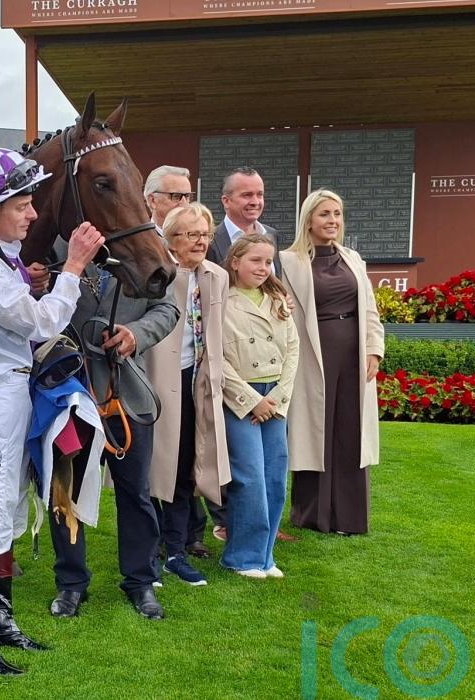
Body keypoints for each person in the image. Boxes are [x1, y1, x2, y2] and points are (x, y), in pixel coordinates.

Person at [0, 146, 105, 675]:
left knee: (8, 511)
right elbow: (40, 324)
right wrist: (73, 267)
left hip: (9, 391)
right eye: (22, 205)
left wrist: (33, 282)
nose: (33, 214)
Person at [46, 224, 179, 621]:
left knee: (135, 491)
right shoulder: (54, 244)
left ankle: (141, 580)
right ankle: (71, 583)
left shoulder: (147, 241)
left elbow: (167, 308)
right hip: (68, 391)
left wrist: (136, 334)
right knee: (64, 488)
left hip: (127, 392)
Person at [278, 189, 384, 535]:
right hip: (312, 356)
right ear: (308, 220)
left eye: (337, 214)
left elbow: (369, 310)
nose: (332, 220)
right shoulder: (288, 262)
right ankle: (312, 516)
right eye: (324, 214)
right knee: (314, 432)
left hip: (354, 356)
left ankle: (350, 518)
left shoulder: (353, 259)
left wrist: (374, 349)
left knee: (351, 431)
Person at [195, 166, 282, 549]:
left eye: (259, 194)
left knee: (265, 461)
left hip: (265, 368)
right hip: (221, 362)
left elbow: (275, 291)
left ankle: (255, 523)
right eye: (246, 195)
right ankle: (225, 520)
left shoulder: (271, 236)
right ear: (226, 200)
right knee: (226, 451)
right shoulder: (210, 240)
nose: (255, 201)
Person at [146, 202, 230, 587]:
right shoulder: (157, 272)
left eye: (205, 234)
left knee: (184, 471)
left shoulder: (216, 276)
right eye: (192, 234)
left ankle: (175, 552)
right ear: (171, 238)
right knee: (152, 471)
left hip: (197, 384)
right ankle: (147, 553)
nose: (201, 241)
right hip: (156, 384)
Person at [219, 233, 299, 578]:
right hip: (241, 398)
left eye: (268, 261)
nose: (263, 267)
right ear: (235, 261)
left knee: (274, 476)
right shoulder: (220, 299)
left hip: (275, 397)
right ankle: (243, 557)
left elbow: (293, 349)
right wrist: (252, 401)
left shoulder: (278, 299)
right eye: (256, 260)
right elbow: (216, 357)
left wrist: (278, 398)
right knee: (249, 476)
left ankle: (266, 555)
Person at [143, 165, 195, 232]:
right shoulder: (139, 237)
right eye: (176, 196)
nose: (184, 204)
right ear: (153, 200)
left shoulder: (200, 236)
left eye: (187, 196)